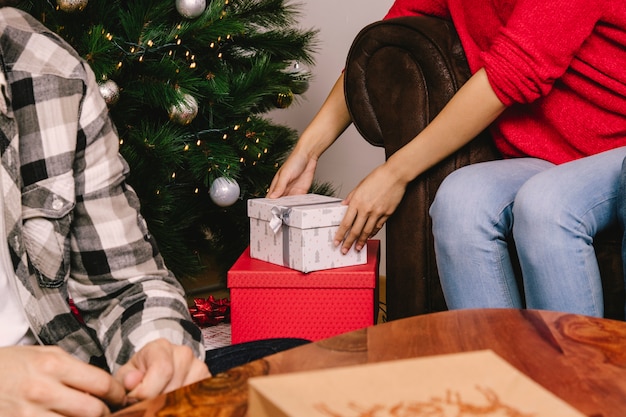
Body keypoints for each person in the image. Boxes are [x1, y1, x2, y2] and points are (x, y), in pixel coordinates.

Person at [268, 0, 626, 318]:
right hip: (547, 154)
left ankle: (577, 388)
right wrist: (307, 150)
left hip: (615, 148)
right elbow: (387, 35)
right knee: (459, 201)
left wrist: (395, 173)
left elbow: (514, 70)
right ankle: (495, 383)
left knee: (546, 205)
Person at [0, 4, 209, 416]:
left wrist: (157, 349)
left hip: (74, 385)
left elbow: (125, 284)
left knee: (290, 366)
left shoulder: (49, 69)